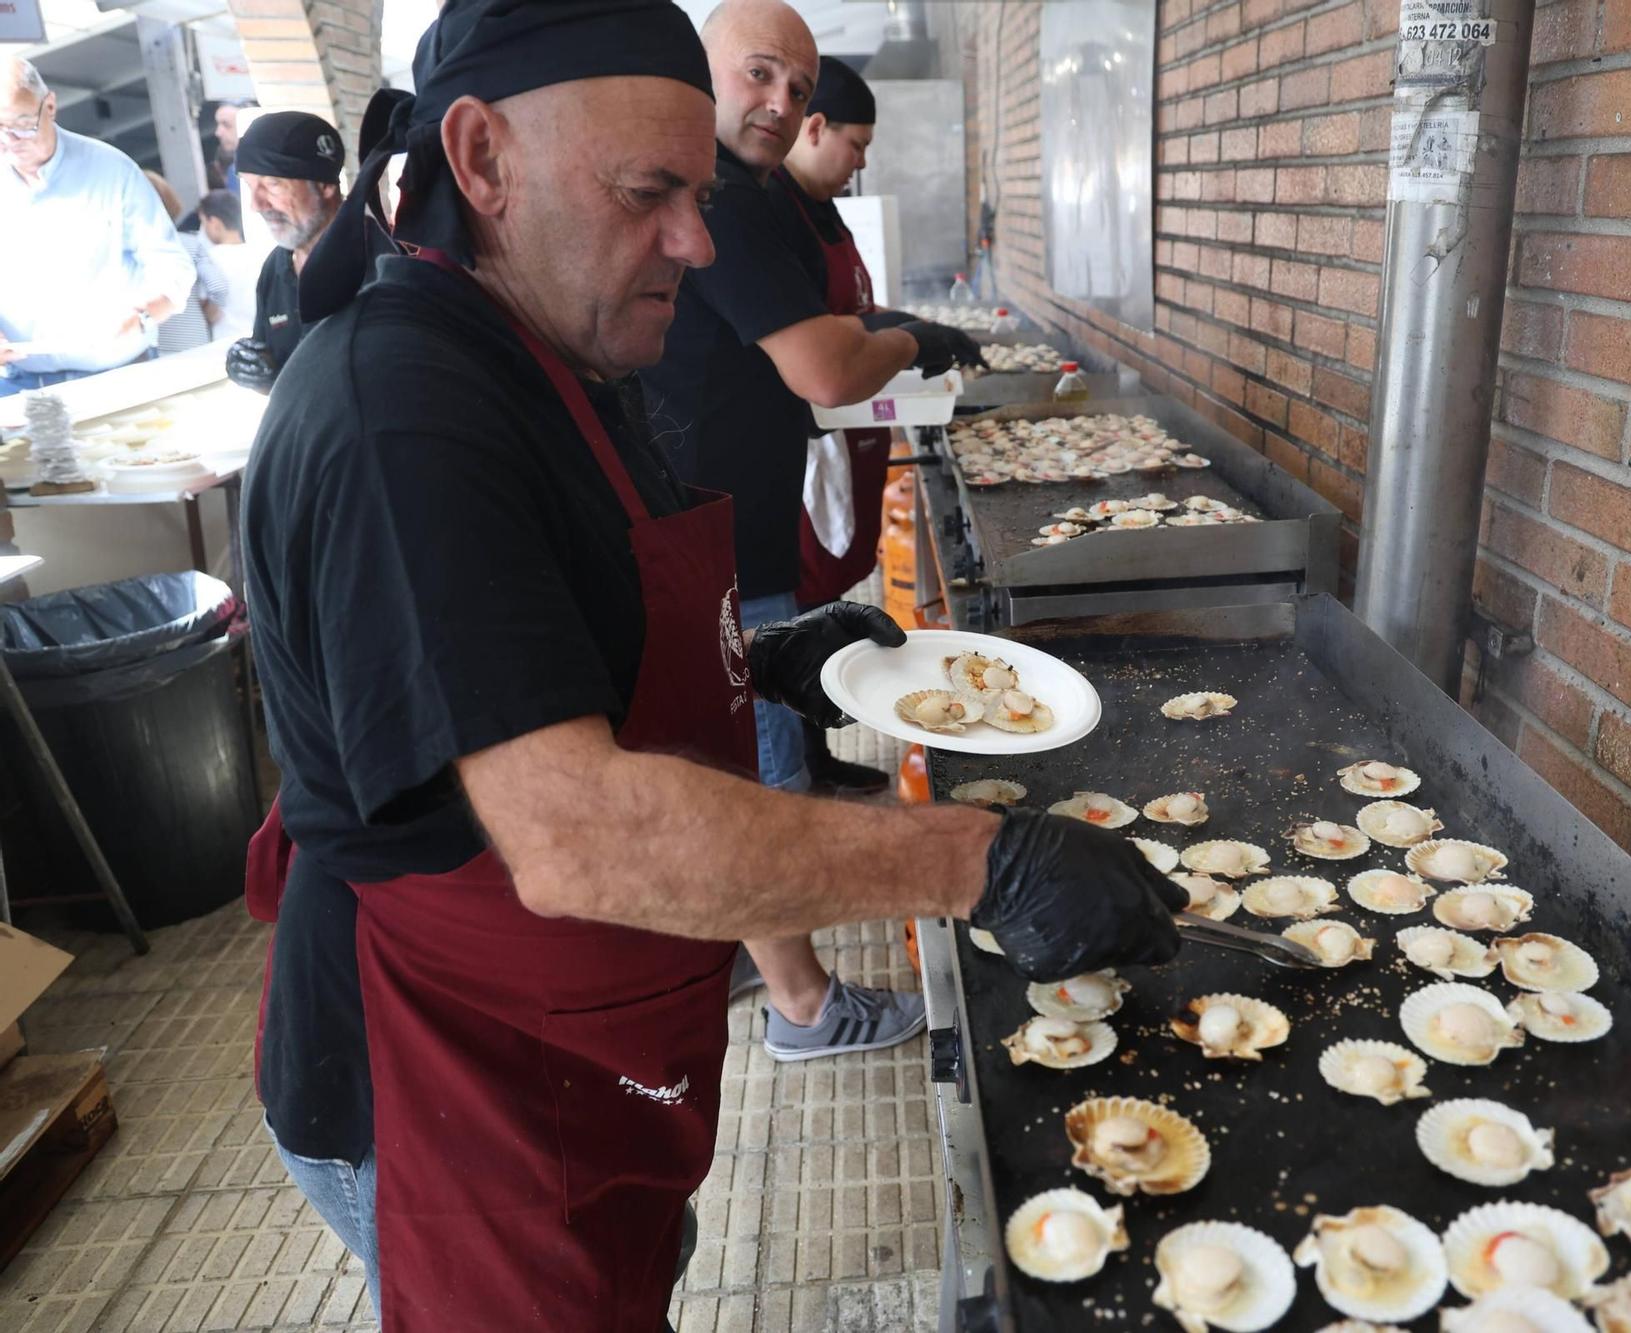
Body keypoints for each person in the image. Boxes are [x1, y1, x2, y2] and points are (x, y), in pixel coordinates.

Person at [246, 2, 1182, 1328]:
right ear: (481, 158)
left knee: (638, 1268)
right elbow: (572, 832)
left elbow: (573, 637)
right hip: (456, 1080)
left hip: (609, 1057)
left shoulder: (555, 350)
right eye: (648, 193)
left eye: (694, 193)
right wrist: (976, 860)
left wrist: (770, 656)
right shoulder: (404, 414)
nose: (695, 238)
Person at [640, 0, 986, 1066]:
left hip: (722, 521)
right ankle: (805, 1010)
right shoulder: (733, 209)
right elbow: (825, 368)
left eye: (795, 86)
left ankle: (754, 948)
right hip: (712, 540)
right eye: (759, 76)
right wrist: (901, 340)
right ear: (701, 73)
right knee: (758, 776)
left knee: (746, 757)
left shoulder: (742, 196)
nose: (782, 104)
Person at [770, 57, 911, 788]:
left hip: (852, 434)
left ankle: (818, 755)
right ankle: (800, 766)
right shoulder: (775, 211)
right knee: (800, 606)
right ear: (815, 127)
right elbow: (820, 354)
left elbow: (849, 317)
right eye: (854, 144)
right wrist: (904, 340)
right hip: (808, 450)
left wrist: (888, 325)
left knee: (824, 603)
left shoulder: (823, 208)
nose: (859, 161)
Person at [0, 57, 195, 396]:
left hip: (119, 374)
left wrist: (145, 315)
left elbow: (172, 266)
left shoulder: (112, 169)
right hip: (23, 384)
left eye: (22, 125)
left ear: (50, 106)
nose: (10, 141)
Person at [224, 111, 370, 393]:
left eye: (273, 184)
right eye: (249, 185)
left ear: (325, 185)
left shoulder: (378, 261)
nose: (256, 204)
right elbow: (282, 369)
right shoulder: (276, 267)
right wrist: (260, 372)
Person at [144, 170, 219, 355]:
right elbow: (218, 286)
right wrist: (210, 313)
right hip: (196, 341)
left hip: (155, 349)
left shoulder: (129, 254)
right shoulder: (190, 243)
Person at [198, 190, 263, 341]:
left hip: (224, 340)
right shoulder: (258, 254)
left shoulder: (209, 259)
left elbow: (211, 313)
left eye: (203, 222)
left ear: (214, 223)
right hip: (258, 337)